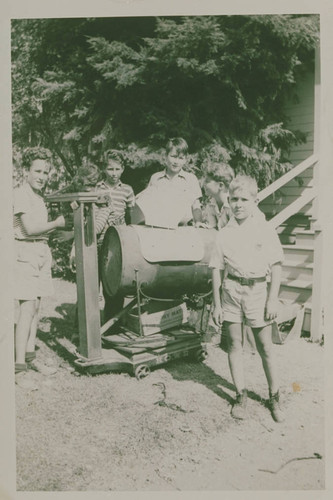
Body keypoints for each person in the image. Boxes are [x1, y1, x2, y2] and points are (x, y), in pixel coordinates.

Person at [210, 174, 284, 423]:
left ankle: (274, 395)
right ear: (228, 200)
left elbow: (276, 267)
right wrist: (217, 304)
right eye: (234, 199)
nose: (238, 204)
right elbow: (216, 269)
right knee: (234, 345)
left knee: (264, 347)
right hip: (231, 292)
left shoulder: (264, 229)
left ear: (255, 200)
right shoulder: (224, 233)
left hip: (257, 292)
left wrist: (272, 299)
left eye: (244, 199)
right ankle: (240, 394)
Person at [13, 147, 67, 387]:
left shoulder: (39, 197)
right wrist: (58, 223)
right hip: (24, 251)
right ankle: (18, 368)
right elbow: (30, 229)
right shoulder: (20, 194)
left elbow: (42, 232)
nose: (42, 176)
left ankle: (30, 356)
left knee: (35, 307)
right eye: (37, 170)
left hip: (40, 251)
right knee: (26, 310)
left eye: (46, 172)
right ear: (26, 171)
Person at [96, 149, 136, 320]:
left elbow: (133, 217)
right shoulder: (96, 188)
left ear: (123, 169)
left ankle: (112, 327)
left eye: (117, 169)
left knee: (114, 286)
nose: (114, 173)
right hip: (98, 241)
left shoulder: (127, 190)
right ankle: (84, 329)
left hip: (118, 245)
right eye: (110, 169)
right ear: (104, 169)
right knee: (92, 285)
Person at [136, 137, 203, 228]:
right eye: (173, 156)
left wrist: (198, 222)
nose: (176, 162)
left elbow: (196, 205)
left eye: (180, 158)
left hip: (183, 228)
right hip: (159, 227)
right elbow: (149, 203)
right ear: (166, 156)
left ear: (185, 160)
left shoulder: (191, 179)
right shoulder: (156, 178)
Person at [201, 162, 235, 230]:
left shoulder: (233, 204)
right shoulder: (211, 204)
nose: (203, 184)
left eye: (207, 181)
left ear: (220, 185)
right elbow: (212, 228)